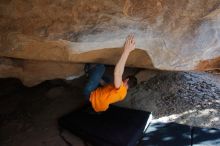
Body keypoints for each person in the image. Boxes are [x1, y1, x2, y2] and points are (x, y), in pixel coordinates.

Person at [83, 34, 137, 112]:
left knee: (101, 67)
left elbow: (117, 73)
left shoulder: (121, 89)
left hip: (90, 94)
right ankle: (94, 79)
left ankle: (88, 70)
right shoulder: (123, 94)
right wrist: (100, 80)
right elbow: (107, 87)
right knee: (107, 80)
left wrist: (127, 51)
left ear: (127, 80)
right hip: (99, 105)